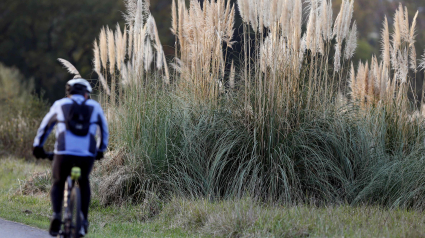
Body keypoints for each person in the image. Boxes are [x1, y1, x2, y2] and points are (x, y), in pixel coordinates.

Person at [33, 77, 109, 237]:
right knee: (84, 181)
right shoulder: (95, 106)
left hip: (63, 153)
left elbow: (45, 127)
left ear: (68, 93)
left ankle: (56, 215)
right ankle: (83, 219)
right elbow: (104, 130)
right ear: (86, 94)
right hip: (87, 155)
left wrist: (38, 147)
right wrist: (101, 150)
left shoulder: (60, 104)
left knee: (59, 182)